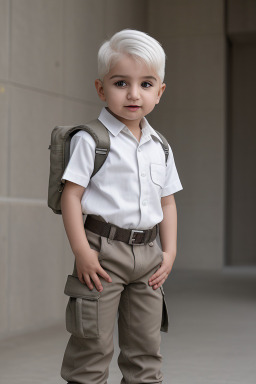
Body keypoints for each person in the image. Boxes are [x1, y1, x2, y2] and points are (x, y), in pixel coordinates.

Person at [60, 29, 183, 384]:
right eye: (120, 83)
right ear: (101, 89)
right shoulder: (91, 140)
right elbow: (71, 196)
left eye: (146, 84)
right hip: (102, 252)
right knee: (92, 346)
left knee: (146, 350)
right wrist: (82, 252)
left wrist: (170, 252)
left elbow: (168, 201)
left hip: (149, 256)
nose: (133, 94)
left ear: (159, 92)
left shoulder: (160, 146)